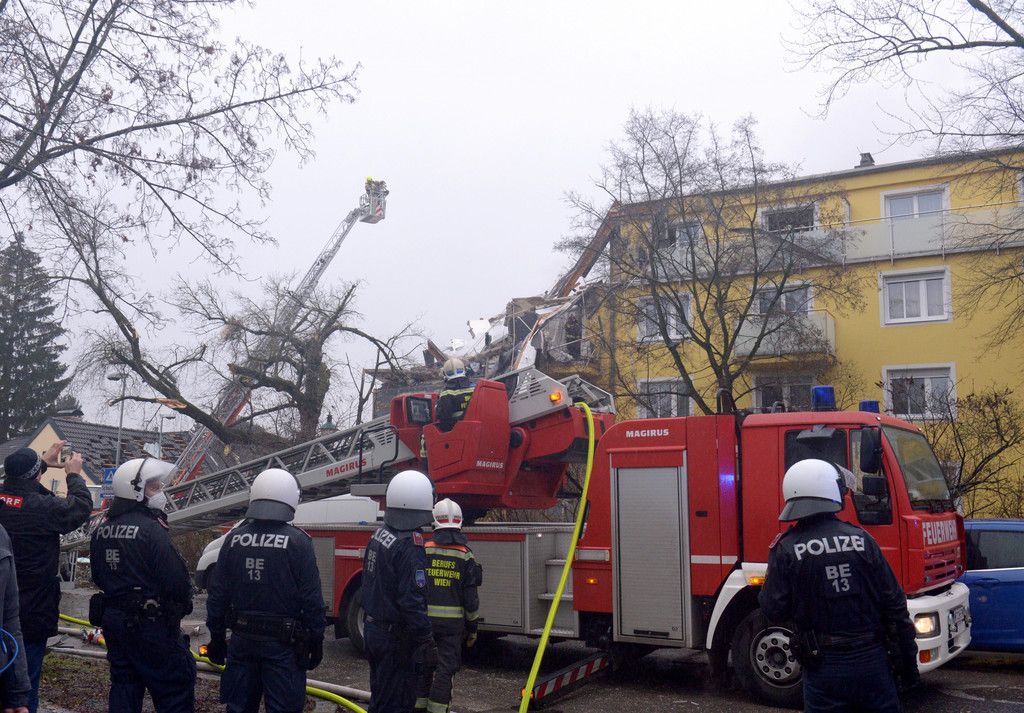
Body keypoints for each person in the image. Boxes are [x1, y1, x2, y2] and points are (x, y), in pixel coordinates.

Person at [758, 459, 918, 713]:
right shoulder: (862, 540)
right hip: (872, 662)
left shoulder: (786, 548)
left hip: (823, 667)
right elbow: (896, 606)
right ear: (832, 491)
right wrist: (908, 666)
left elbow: (773, 609)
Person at [205, 468, 325, 713]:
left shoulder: (233, 539)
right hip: (283, 647)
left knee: (239, 708)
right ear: (291, 498)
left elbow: (217, 595)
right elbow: (312, 599)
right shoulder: (298, 542)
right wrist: (316, 639)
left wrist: (216, 637)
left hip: (242, 641)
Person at [90, 458, 195, 713]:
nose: (161, 492)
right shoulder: (152, 530)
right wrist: (180, 606)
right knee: (174, 689)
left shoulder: (102, 530)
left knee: (124, 686)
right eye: (154, 487)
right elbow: (176, 581)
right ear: (135, 491)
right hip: (151, 626)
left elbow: (98, 575)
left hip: (115, 622)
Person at [0, 443, 92, 713]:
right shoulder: (43, 508)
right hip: (32, 612)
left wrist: (39, 464)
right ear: (36, 476)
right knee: (24, 685)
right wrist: (73, 475)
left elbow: (18, 487)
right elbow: (80, 507)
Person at [362, 470, 437, 713]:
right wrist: (426, 639)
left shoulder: (380, 534)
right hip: (395, 640)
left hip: (374, 630)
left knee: (380, 699)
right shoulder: (410, 545)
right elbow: (411, 600)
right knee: (397, 703)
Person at [416, 499, 481, 713]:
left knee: (423, 667)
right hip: (452, 628)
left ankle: (417, 709)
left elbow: (414, 588)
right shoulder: (465, 554)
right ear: (460, 523)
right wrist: (472, 628)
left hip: (424, 624)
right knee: (445, 670)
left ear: (434, 522)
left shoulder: (423, 550)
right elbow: (471, 599)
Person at [435, 359, 475, 433]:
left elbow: (443, 417)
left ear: (445, 374)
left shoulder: (446, 393)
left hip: (457, 432)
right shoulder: (476, 388)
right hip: (476, 428)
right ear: (465, 370)